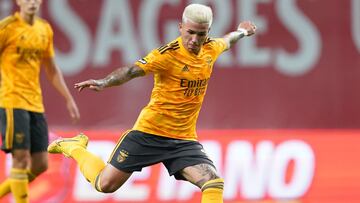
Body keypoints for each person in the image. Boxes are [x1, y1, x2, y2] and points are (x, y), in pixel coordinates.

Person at [48, 3, 256, 203]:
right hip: (148, 133)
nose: (194, 39)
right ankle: (74, 147)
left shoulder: (212, 48)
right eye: (190, 32)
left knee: (213, 183)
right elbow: (131, 71)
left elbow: (228, 40)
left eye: (201, 34)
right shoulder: (167, 55)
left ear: (208, 32)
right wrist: (104, 82)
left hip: (183, 140)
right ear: (181, 27)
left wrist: (242, 32)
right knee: (105, 184)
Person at [0, 0, 80, 202]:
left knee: (41, 164)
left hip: (35, 104)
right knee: (20, 159)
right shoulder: (7, 28)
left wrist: (68, 99)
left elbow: (51, 69)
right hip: (11, 102)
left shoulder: (44, 29)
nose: (32, 2)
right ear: (18, 2)